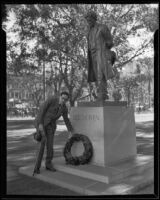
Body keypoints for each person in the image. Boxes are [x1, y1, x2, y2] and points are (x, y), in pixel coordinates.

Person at [35, 91, 74, 172]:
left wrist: (70, 130)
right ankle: (37, 167)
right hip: (42, 123)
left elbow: (66, 120)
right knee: (42, 145)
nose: (63, 100)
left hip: (51, 127)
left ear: (67, 100)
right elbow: (41, 111)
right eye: (62, 98)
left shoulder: (64, 108)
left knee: (50, 146)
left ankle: (48, 164)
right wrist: (40, 124)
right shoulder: (52, 99)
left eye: (65, 99)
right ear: (60, 96)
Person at [85, 10, 115, 101]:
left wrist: (107, 47)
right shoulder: (89, 32)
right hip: (92, 55)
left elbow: (110, 41)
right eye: (87, 20)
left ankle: (103, 94)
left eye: (90, 20)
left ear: (94, 19)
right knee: (95, 75)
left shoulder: (102, 28)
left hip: (101, 53)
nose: (88, 22)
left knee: (101, 74)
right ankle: (100, 93)